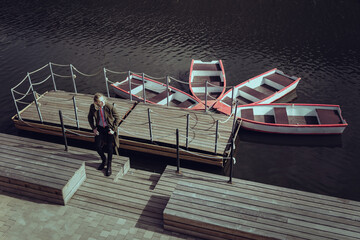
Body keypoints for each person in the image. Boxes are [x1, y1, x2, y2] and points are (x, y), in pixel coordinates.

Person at [88, 93, 120, 176]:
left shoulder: (109, 106)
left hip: (109, 128)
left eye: (103, 100)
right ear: (96, 102)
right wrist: (94, 128)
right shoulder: (93, 107)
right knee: (97, 146)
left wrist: (113, 129)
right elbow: (90, 117)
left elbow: (117, 117)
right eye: (100, 102)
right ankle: (104, 159)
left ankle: (109, 165)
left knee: (109, 147)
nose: (102, 103)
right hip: (99, 128)